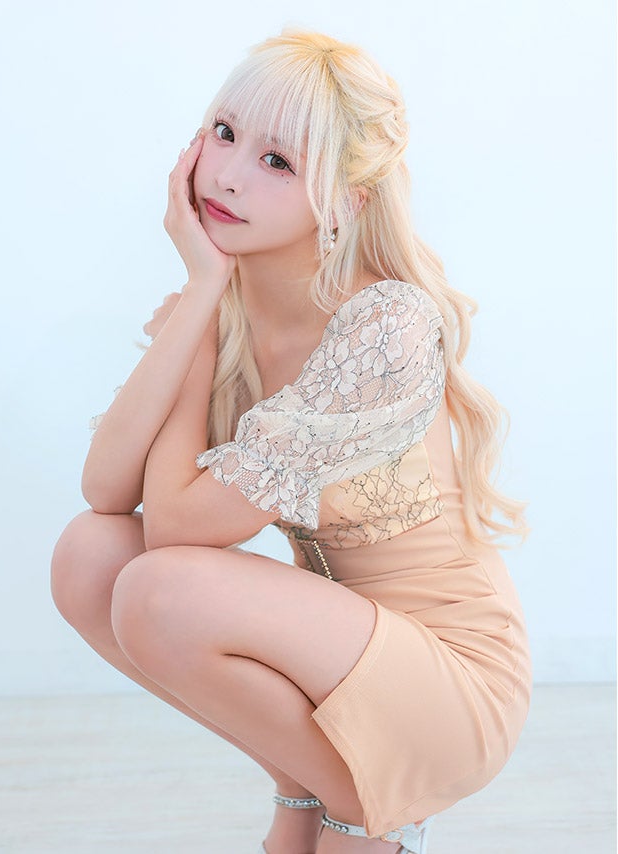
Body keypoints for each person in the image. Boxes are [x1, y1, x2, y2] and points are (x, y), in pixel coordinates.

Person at [51, 29, 532, 854]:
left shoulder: (385, 324)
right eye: (225, 133)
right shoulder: (225, 307)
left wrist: (201, 311)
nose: (228, 175)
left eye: (278, 160)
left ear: (344, 201)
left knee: (160, 589)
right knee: (88, 556)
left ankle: (364, 807)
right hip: (330, 653)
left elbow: (174, 535)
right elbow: (106, 493)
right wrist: (203, 300)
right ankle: (318, 788)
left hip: (448, 678)